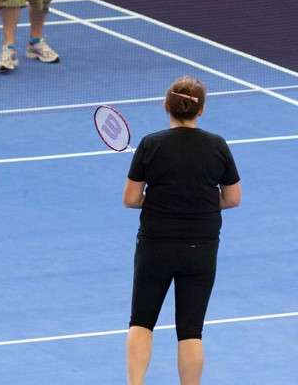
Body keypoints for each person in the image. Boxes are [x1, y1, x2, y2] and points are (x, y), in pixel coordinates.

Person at [123, 76, 242, 385]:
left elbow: (131, 199)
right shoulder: (217, 145)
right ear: (200, 110)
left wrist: (162, 199)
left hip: (156, 247)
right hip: (200, 250)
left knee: (141, 322)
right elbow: (232, 198)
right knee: (191, 331)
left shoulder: (150, 144)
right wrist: (196, 201)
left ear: (167, 107)